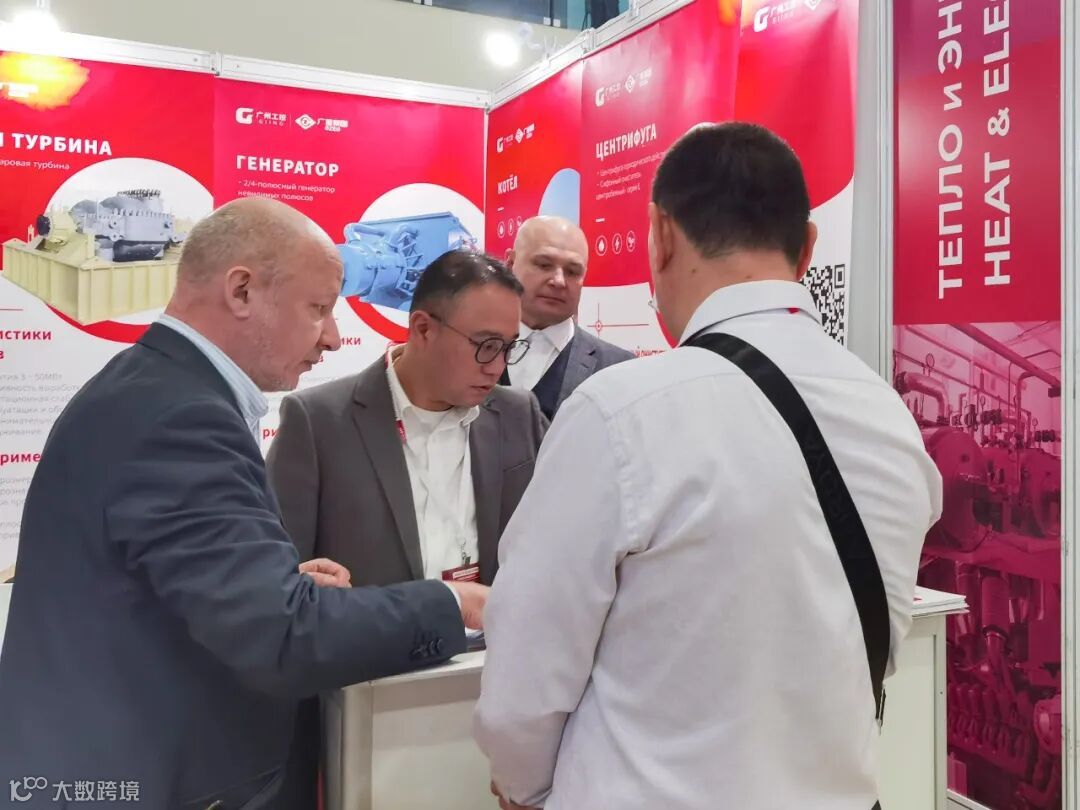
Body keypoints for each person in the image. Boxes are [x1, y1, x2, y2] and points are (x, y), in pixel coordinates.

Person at [474, 122, 943, 810]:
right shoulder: (891, 420)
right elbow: (873, 650)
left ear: (661, 234)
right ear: (807, 247)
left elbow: (528, 667)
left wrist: (524, 785)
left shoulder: (621, 411)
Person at [0, 197, 486, 809]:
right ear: (242, 291)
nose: (334, 337)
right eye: (318, 308)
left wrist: (276, 580)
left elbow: (165, 582)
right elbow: (282, 638)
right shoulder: (182, 419)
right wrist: (454, 604)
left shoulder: (149, 386)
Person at [266, 249, 547, 807]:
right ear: (423, 328)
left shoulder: (517, 414)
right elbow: (281, 582)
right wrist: (313, 585)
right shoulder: (319, 421)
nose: (497, 365)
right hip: (373, 710)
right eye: (484, 344)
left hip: (492, 696)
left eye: (509, 346)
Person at [501, 216, 633, 420]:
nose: (559, 281)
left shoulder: (618, 368)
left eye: (572, 271)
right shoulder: (468, 351)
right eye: (544, 265)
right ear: (511, 264)